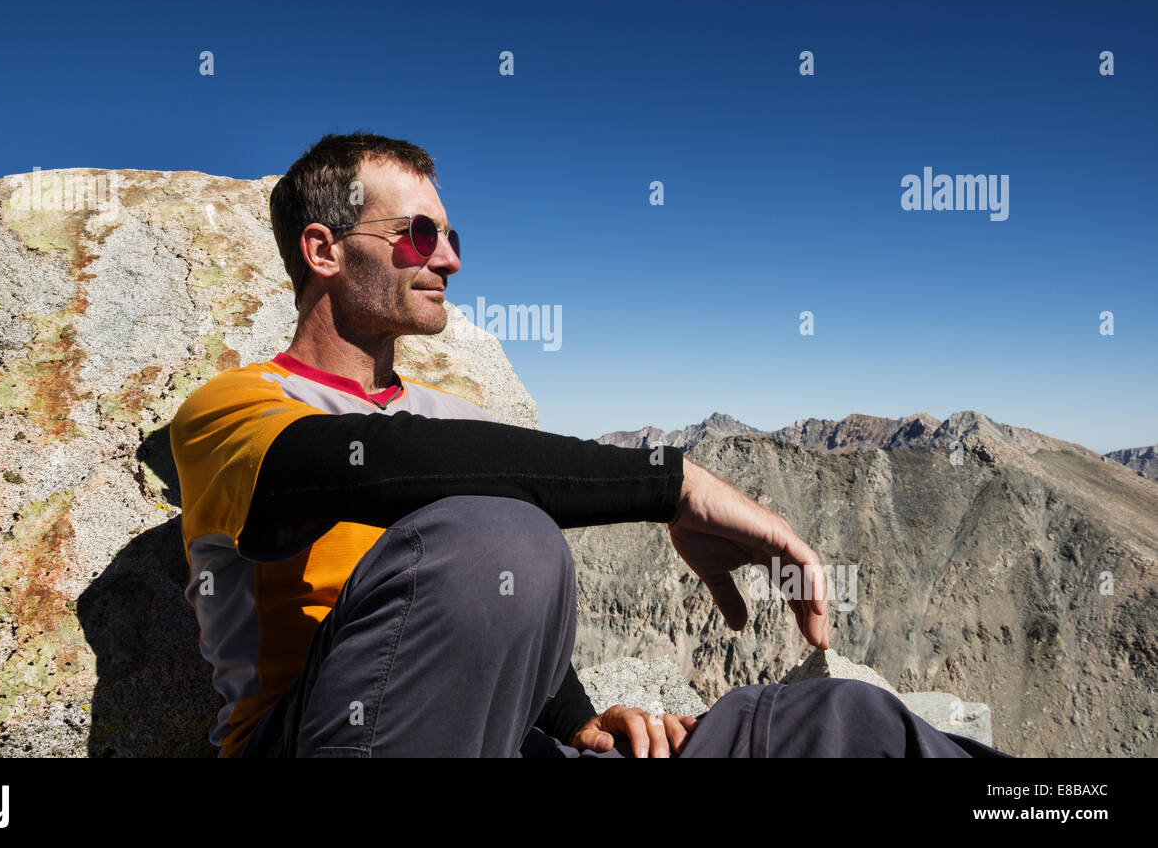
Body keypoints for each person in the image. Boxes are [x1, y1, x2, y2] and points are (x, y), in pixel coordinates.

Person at [169, 130, 1010, 758]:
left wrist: (578, 718)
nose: (451, 261)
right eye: (421, 236)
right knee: (500, 531)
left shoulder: (452, 417)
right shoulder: (234, 410)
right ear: (322, 249)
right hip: (311, 738)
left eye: (455, 239)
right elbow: (379, 477)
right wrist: (668, 483)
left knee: (842, 727)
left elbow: (484, 596)